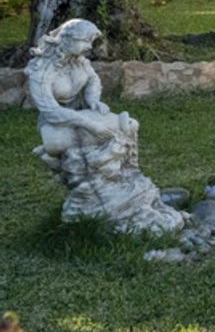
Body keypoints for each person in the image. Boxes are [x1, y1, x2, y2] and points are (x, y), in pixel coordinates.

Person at [27, 19, 190, 235]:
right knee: (114, 133)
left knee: (130, 125)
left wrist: (93, 100)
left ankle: (129, 178)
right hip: (57, 126)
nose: (89, 47)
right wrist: (90, 124)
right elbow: (49, 110)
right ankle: (100, 199)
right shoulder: (40, 70)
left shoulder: (80, 62)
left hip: (86, 114)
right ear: (67, 39)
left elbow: (93, 81)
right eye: (86, 41)